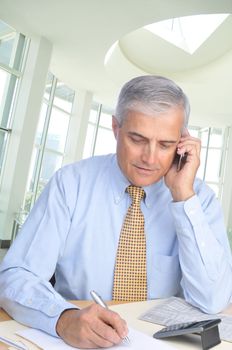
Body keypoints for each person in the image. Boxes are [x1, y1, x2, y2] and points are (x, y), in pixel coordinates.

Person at [0, 75, 232, 348]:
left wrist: (183, 197)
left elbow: (213, 300)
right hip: (81, 341)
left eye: (166, 145)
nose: (150, 157)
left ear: (182, 144)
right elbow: (15, 275)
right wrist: (63, 318)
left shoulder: (198, 200)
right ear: (115, 128)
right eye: (137, 139)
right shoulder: (71, 184)